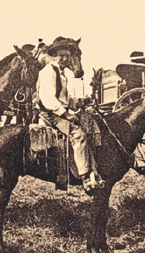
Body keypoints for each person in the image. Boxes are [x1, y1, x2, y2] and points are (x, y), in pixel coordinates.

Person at [36, 39, 105, 193]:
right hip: (51, 114)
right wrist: (65, 114)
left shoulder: (61, 73)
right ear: (54, 56)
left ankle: (94, 171)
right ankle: (85, 177)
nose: (65, 59)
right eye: (61, 55)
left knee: (89, 127)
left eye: (67, 56)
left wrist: (79, 102)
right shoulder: (48, 72)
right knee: (79, 134)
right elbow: (48, 99)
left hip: (58, 110)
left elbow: (63, 98)